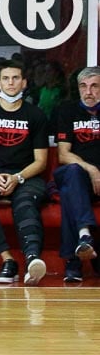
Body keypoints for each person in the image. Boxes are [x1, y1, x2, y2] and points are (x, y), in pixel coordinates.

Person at [0, 57, 49, 286]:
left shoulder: (35, 115)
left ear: (24, 82)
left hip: (26, 175)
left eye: (15, 78)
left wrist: (17, 177)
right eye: (5, 78)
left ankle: (32, 259)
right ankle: (8, 260)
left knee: (25, 200)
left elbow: (41, 161)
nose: (11, 83)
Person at [53, 65, 100, 283]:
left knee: (69, 194)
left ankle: (74, 262)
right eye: (83, 86)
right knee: (73, 173)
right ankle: (84, 235)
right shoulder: (67, 111)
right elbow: (63, 154)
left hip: (83, 185)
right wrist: (91, 169)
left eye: (94, 86)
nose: (88, 92)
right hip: (77, 173)